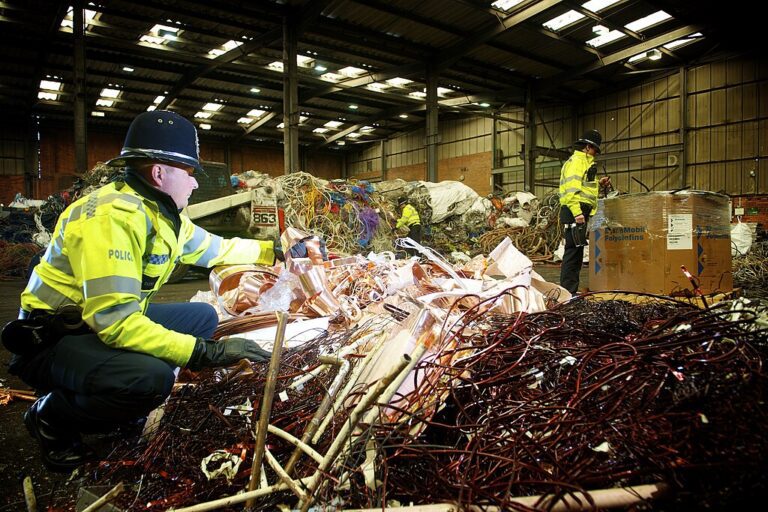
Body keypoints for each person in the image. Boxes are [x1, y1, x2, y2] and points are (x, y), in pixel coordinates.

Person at [1, 110, 313, 472]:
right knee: (151, 380)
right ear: (159, 172)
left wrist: (274, 250)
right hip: (53, 340)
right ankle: (51, 417)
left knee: (203, 316)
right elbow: (116, 322)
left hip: (92, 325)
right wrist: (205, 353)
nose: (195, 183)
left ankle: (116, 392)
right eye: (190, 172)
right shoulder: (111, 219)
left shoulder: (160, 213)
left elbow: (215, 248)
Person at [558, 129, 611, 294]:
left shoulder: (584, 163)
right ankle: (568, 292)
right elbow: (571, 191)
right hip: (576, 211)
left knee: (577, 252)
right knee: (573, 253)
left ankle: (570, 291)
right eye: (595, 149)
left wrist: (599, 183)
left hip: (579, 211)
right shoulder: (577, 162)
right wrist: (577, 213)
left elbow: (584, 186)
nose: (596, 153)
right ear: (588, 147)